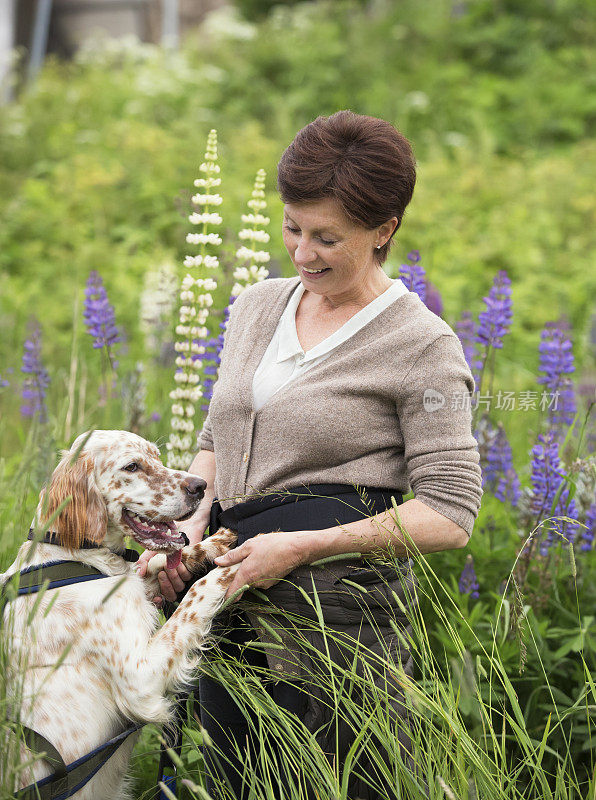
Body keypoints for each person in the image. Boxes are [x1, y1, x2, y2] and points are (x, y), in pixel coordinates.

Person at [138, 110, 482, 798]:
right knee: (242, 783)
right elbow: (216, 440)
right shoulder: (256, 307)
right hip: (229, 598)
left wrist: (303, 548)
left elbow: (449, 513)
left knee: (346, 783)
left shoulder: (422, 345)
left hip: (335, 622)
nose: (303, 252)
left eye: (328, 237)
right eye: (293, 228)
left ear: (384, 230)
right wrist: (182, 532)